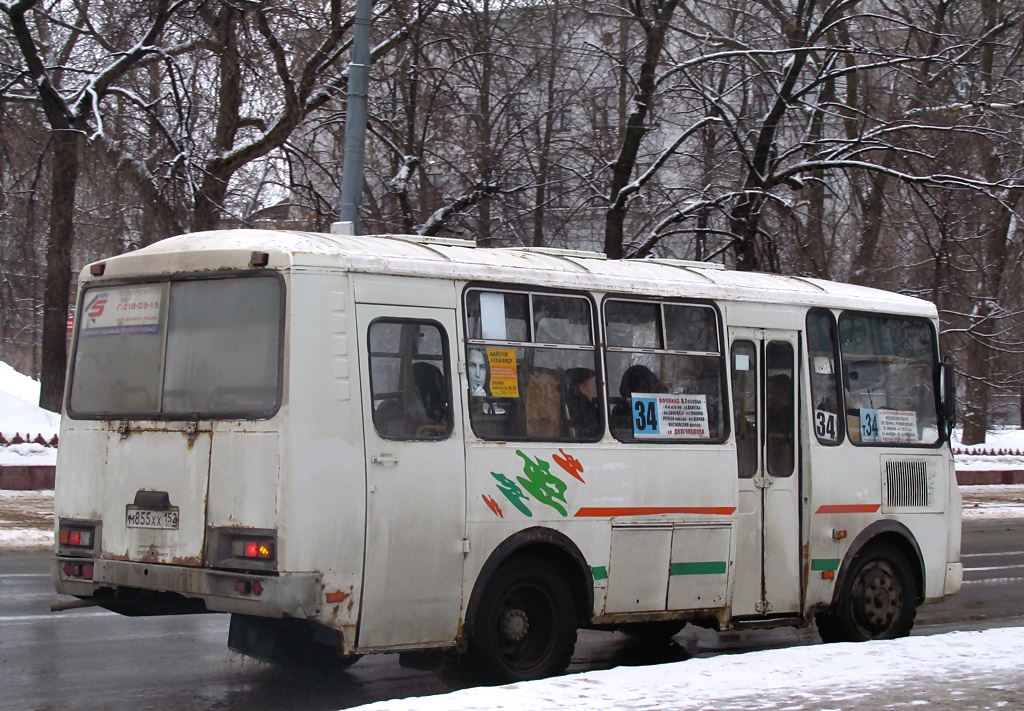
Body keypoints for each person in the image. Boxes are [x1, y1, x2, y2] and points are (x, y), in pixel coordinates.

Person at [564, 367, 600, 439]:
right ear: (582, 389)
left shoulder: (567, 403)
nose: (593, 390)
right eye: (591, 386)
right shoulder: (585, 409)